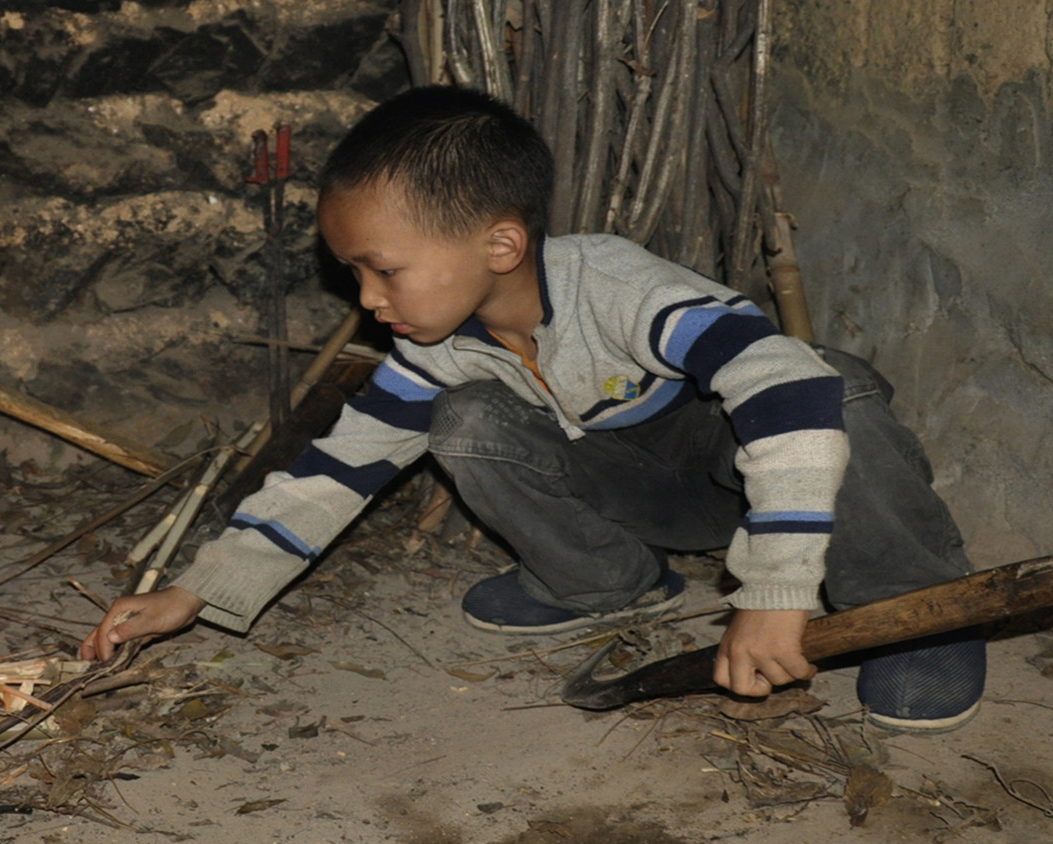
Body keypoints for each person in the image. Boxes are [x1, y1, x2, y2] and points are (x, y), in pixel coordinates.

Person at [82, 85, 984, 734]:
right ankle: (607, 582)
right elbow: (336, 469)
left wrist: (778, 591)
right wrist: (198, 590)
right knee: (463, 422)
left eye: (381, 268)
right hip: (640, 497)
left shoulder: (618, 286)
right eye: (353, 270)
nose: (365, 296)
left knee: (832, 381)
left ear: (502, 243)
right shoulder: (433, 346)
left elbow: (779, 385)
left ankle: (919, 606)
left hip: (742, 473)